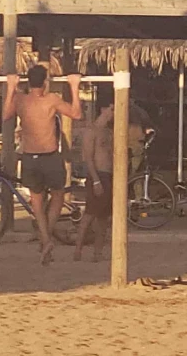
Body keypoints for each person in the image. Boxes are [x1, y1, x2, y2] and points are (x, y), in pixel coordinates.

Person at [3, 65, 82, 265]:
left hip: (31, 157)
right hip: (49, 156)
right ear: (45, 81)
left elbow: (5, 116)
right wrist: (74, 86)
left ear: (28, 81)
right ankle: (46, 237)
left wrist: (12, 88)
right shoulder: (51, 99)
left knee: (37, 202)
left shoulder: (20, 99)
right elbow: (76, 113)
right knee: (57, 195)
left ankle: (45, 238)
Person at [74, 99, 115, 262]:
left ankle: (98, 252)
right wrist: (96, 180)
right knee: (89, 215)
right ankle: (78, 250)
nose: (113, 113)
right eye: (111, 109)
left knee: (104, 218)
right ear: (104, 109)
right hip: (97, 175)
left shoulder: (108, 132)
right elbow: (88, 158)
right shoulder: (91, 131)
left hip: (108, 175)